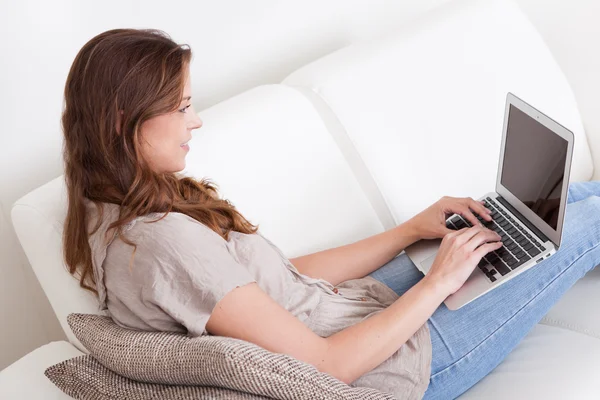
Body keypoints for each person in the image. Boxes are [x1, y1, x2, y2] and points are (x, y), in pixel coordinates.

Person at [61, 28, 600, 400]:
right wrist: (437, 284)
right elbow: (328, 368)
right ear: (121, 119)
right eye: (180, 107)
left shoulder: (111, 206)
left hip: (349, 312)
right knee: (586, 225)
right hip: (392, 366)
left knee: (556, 205)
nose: (196, 121)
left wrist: (409, 230)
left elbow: (278, 281)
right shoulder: (161, 243)